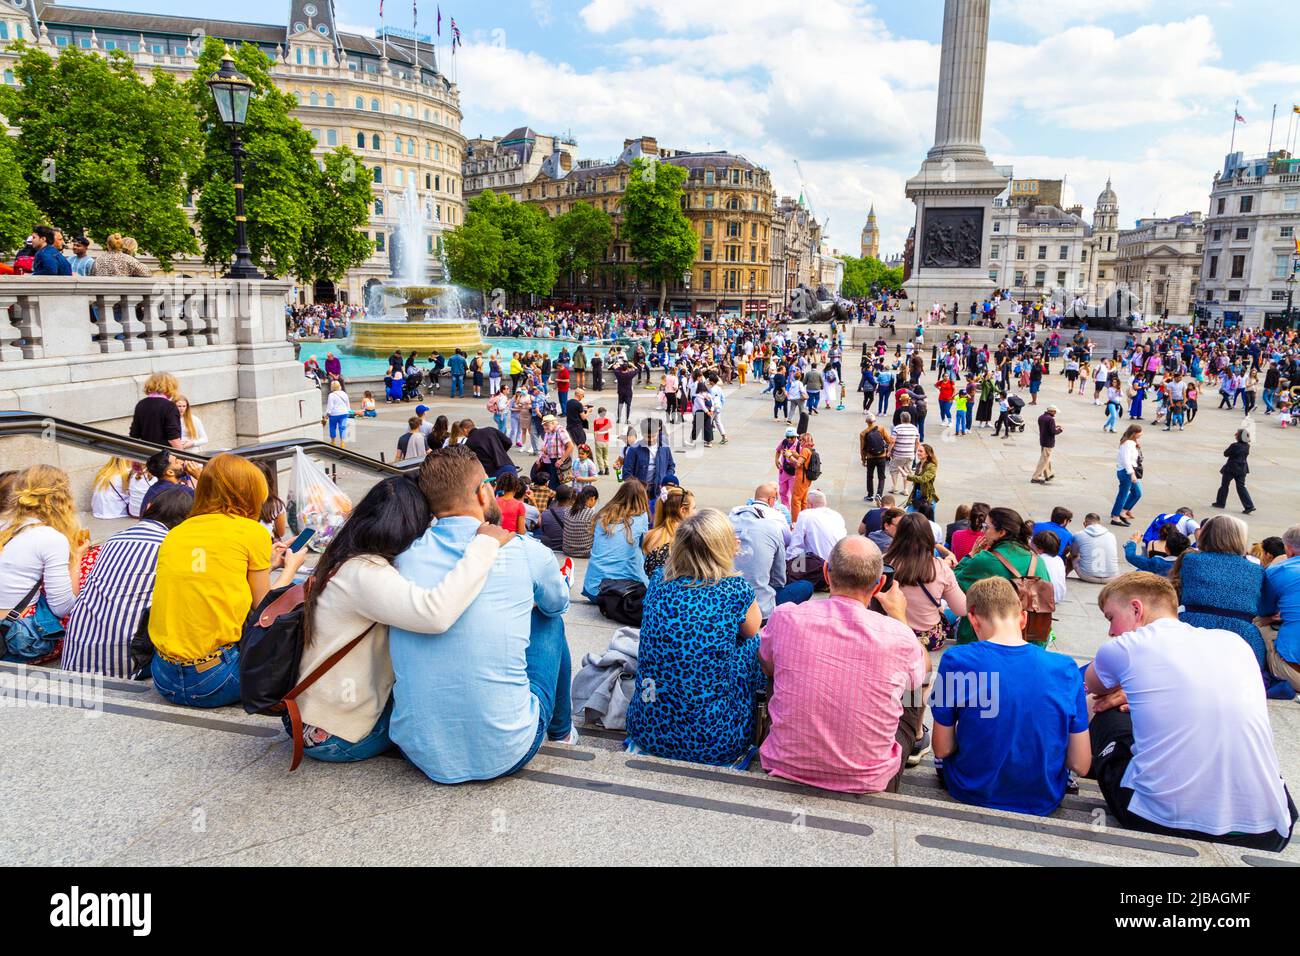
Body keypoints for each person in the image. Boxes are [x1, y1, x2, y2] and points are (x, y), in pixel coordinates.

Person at [289, 476, 513, 762]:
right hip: (337, 734)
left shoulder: (344, 557)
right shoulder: (364, 573)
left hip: (315, 714)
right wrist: (484, 545)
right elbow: (436, 614)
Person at [389, 447, 574, 783]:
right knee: (550, 620)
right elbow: (557, 604)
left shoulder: (403, 557)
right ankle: (562, 732)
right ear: (482, 491)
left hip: (419, 748)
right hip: (509, 748)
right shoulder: (527, 552)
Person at [1085, 572, 1296, 851]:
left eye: (1111, 618)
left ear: (1136, 609)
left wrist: (1127, 690)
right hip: (1269, 830)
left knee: (1101, 706)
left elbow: (1093, 686)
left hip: (1159, 820)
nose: (1111, 631)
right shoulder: (1234, 643)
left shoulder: (1124, 646)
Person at [759, 536, 925, 793]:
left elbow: (768, 667)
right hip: (869, 780)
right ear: (881, 583)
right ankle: (917, 739)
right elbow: (918, 678)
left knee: (775, 662)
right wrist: (900, 616)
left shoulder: (785, 617)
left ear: (826, 572)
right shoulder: (900, 636)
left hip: (784, 764)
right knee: (913, 690)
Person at [932, 578, 1091, 816]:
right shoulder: (1065, 667)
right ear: (1023, 618)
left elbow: (942, 749)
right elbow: (1081, 764)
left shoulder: (957, 660)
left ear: (973, 619)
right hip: (1044, 797)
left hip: (970, 789)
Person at [149, 454, 296, 707]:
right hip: (215, 679)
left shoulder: (176, 532)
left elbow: (207, 577)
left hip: (163, 676)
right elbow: (265, 607)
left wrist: (267, 565)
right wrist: (291, 568)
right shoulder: (253, 532)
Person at [626, 509, 763, 765]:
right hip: (715, 740)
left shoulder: (658, 580)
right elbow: (753, 630)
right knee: (751, 641)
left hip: (647, 731)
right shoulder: (735, 589)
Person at [61, 488, 192, 678]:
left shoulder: (114, 539)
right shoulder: (171, 547)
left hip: (75, 658)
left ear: (149, 508)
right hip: (124, 668)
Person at [0, 466, 88, 661]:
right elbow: (62, 608)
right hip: (18, 637)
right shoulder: (50, 537)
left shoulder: (6, 524)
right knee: (91, 568)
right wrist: (77, 559)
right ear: (62, 499)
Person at [1172, 514, 1267, 667]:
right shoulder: (1256, 571)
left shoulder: (1191, 560)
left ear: (1207, 535)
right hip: (1241, 634)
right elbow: (1263, 609)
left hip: (1193, 626)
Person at [954, 506, 1053, 645]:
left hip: (983, 642)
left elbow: (953, 582)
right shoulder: (1038, 560)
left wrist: (971, 555)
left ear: (1001, 532)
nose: (983, 532)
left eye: (986, 527)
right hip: (1030, 640)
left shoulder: (986, 559)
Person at [884, 512, 967, 651]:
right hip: (928, 639)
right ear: (928, 536)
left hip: (892, 633)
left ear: (899, 535)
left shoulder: (885, 562)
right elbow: (961, 609)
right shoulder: (941, 568)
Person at [730, 484, 812, 621]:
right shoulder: (773, 525)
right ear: (771, 500)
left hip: (728, 604)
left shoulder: (727, 522)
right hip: (761, 610)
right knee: (805, 586)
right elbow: (778, 580)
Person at [581, 479, 649, 600]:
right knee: (639, 552)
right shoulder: (641, 517)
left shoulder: (603, 515)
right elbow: (645, 548)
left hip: (593, 589)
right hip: (623, 592)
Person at [1262, 525, 1300, 693]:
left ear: (1289, 551)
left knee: (1257, 623)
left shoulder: (1279, 570)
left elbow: (1262, 610)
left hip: (1292, 670)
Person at [641, 486, 695, 578]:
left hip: (651, 589)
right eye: (694, 508)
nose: (696, 512)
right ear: (682, 510)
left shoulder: (649, 535)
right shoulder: (686, 538)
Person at [622, 419, 676, 506]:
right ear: (642, 434)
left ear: (658, 432)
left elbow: (671, 466)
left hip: (658, 492)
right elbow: (626, 473)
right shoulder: (634, 449)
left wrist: (665, 480)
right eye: (648, 437)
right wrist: (637, 487)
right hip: (639, 493)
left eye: (654, 436)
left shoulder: (664, 447)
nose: (651, 439)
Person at [128, 372, 184, 449]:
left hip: (146, 455)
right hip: (165, 456)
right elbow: (173, 438)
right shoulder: (169, 406)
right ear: (170, 387)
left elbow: (134, 434)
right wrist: (184, 457)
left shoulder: (141, 404)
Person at [139, 450, 198, 514]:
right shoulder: (182, 491)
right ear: (170, 472)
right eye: (176, 462)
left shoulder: (153, 489)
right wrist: (199, 475)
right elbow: (208, 500)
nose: (181, 462)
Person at [1212, 427, 1256, 515]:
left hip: (1231, 467)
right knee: (1241, 487)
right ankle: (1249, 505)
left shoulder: (1234, 445)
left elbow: (1226, 453)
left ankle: (1220, 502)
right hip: (1242, 468)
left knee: (1224, 485)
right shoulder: (1247, 446)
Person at [1110, 424, 1143, 527]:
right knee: (1123, 495)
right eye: (1140, 432)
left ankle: (1122, 511)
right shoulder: (1128, 443)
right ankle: (1116, 517)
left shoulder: (1131, 442)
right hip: (1127, 472)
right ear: (1134, 433)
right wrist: (1132, 473)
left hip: (1129, 471)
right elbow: (1126, 460)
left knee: (1137, 493)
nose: (1141, 434)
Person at [859, 412, 891, 502]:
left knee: (870, 476)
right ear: (874, 421)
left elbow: (862, 448)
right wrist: (886, 450)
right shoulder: (881, 428)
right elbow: (889, 440)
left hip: (870, 457)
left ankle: (870, 495)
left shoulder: (863, 433)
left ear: (866, 422)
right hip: (881, 456)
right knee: (881, 476)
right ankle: (879, 494)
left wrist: (863, 459)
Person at [562, 485, 600, 559]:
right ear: (593, 499)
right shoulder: (592, 514)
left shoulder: (567, 510)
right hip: (585, 553)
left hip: (567, 550)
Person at [903, 443, 939, 520]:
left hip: (927, 497)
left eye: (921, 451)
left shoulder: (932, 466)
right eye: (918, 451)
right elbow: (917, 480)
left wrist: (908, 476)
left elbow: (923, 479)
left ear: (927, 454)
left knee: (928, 522)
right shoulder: (919, 464)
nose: (918, 453)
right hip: (917, 494)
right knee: (909, 517)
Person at [1031, 530, 1068, 602]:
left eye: (1032, 543)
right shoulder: (1059, 559)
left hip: (1045, 600)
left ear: (1040, 548)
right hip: (1059, 597)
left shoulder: (1038, 559)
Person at [888, 412, 919, 495]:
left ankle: (894, 487)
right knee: (907, 471)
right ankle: (905, 489)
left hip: (898, 454)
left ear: (901, 419)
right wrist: (915, 451)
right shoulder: (914, 428)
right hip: (910, 454)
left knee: (894, 469)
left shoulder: (897, 428)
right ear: (910, 419)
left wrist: (889, 451)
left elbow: (892, 441)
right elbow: (917, 442)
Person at [1031, 405, 1061, 484]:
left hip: (1043, 440)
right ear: (1051, 411)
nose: (1055, 413)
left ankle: (1048, 474)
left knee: (1046, 458)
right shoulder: (1051, 419)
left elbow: (1046, 428)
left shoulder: (1041, 417)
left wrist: (1054, 427)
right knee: (1044, 460)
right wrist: (1060, 430)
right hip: (1048, 442)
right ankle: (1035, 477)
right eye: (1055, 412)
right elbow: (1053, 432)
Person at [538, 485, 573, 551]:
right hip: (568, 548)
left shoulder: (545, 514)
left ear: (556, 497)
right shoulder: (575, 513)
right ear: (569, 498)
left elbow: (542, 530)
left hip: (550, 548)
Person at [325, 380, 350, 448]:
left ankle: (333, 441)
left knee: (332, 427)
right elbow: (347, 405)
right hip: (344, 413)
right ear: (339, 386)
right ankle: (342, 442)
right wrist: (348, 412)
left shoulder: (331, 395)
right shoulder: (344, 394)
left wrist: (327, 415)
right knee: (342, 428)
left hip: (334, 414)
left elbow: (330, 406)